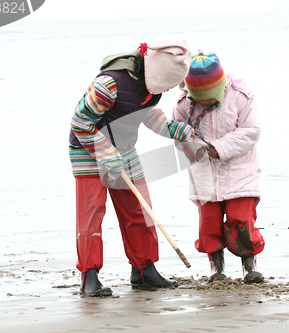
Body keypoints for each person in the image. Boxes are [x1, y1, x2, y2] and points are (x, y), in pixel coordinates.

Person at [68, 40, 194, 296]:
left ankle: (144, 270)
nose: (169, 88)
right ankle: (89, 277)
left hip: (124, 150)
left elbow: (147, 114)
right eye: (168, 83)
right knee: (91, 214)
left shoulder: (150, 86)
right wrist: (105, 154)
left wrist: (174, 130)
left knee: (139, 209)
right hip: (87, 149)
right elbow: (80, 121)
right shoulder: (110, 84)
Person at [173, 50, 265, 284]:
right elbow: (178, 135)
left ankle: (249, 265)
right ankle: (217, 267)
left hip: (239, 171)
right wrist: (196, 147)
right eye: (199, 98)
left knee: (241, 220)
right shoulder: (185, 104)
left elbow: (251, 131)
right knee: (209, 223)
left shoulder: (241, 96)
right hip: (204, 174)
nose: (203, 102)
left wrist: (219, 148)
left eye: (208, 98)